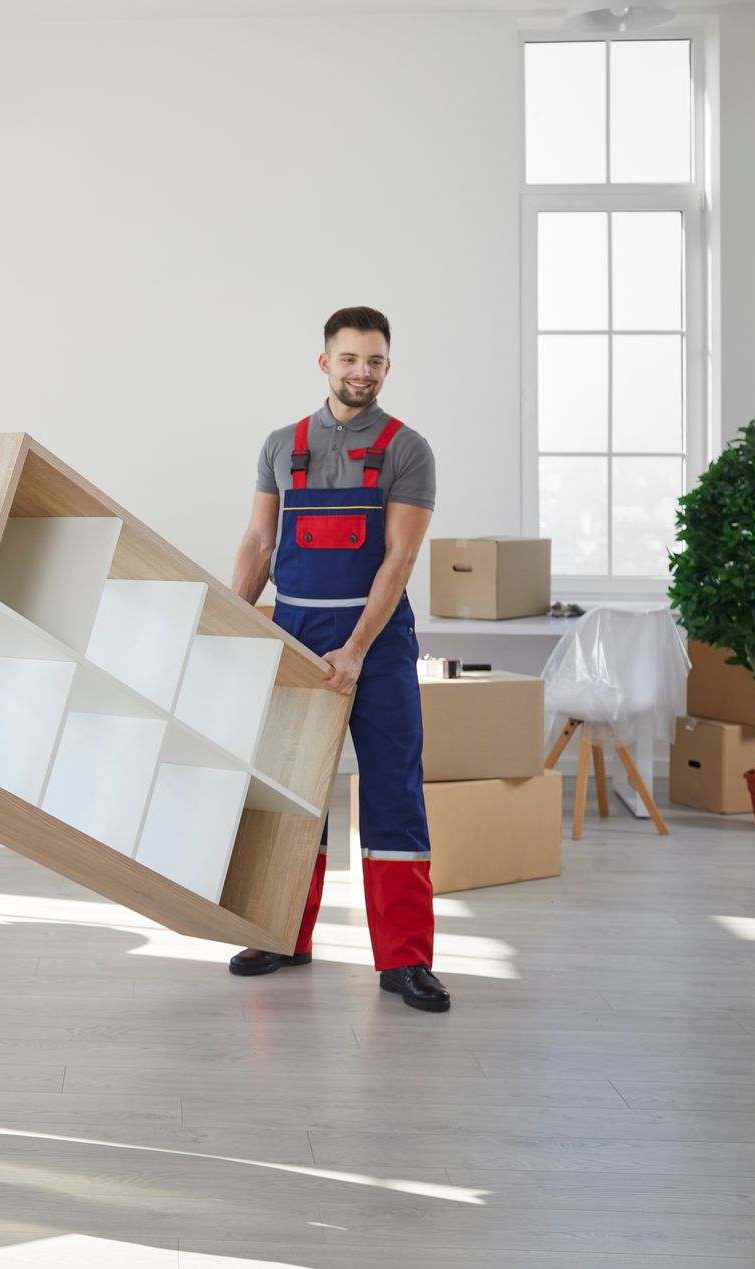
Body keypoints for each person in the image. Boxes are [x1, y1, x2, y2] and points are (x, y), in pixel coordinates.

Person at [227, 306, 451, 1013]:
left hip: (376, 646)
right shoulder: (280, 445)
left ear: (388, 367)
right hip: (294, 639)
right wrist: (233, 627)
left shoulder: (407, 450)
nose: (362, 371)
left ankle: (406, 960)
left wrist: (355, 650)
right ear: (324, 362)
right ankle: (283, 932)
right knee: (291, 795)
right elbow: (259, 546)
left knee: (392, 794)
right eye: (350, 358)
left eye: (375, 360)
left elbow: (400, 560)